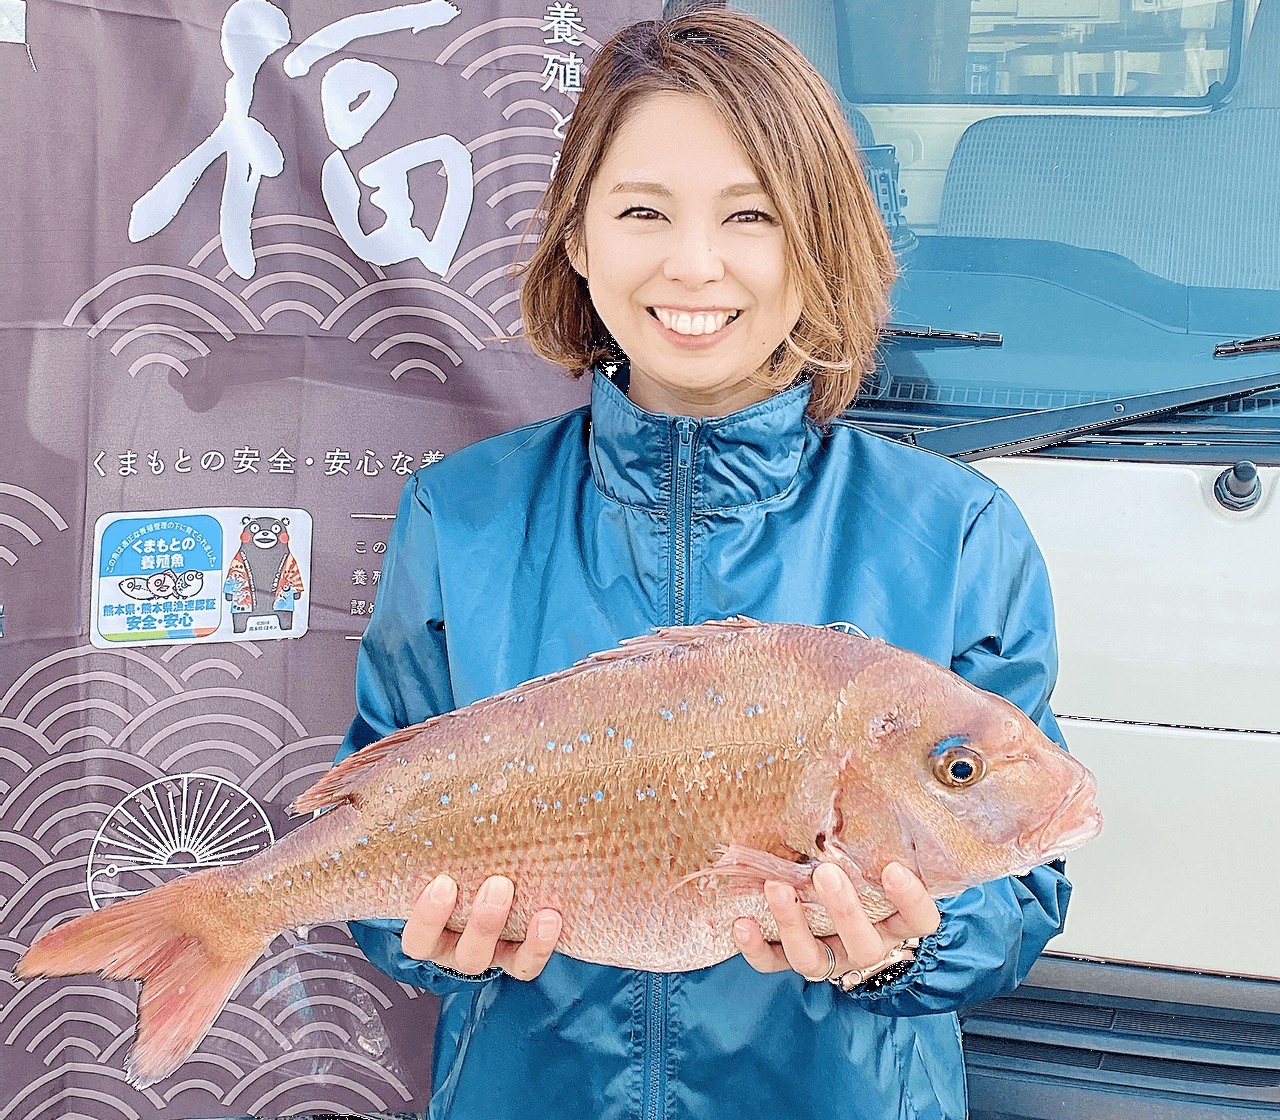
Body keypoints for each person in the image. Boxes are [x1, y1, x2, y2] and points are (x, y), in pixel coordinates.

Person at [336, 11, 1071, 1119]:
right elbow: (372, 838)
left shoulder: (956, 530)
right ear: (576, 238)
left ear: (816, 238)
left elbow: (1024, 883)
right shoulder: (460, 513)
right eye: (641, 212)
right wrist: (427, 936)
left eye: (750, 216)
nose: (693, 264)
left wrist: (900, 942)